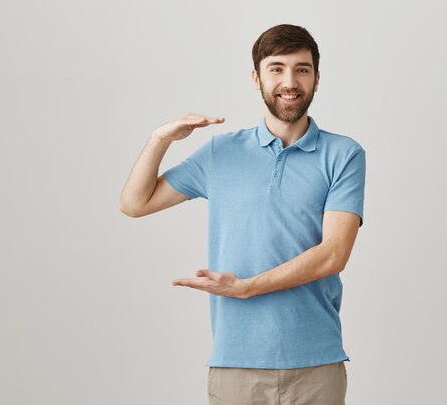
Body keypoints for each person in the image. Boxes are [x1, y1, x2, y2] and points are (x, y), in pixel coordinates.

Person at [119, 23, 365, 405]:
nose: (290, 81)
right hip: (236, 363)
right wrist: (159, 140)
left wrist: (246, 288)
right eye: (277, 68)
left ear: (317, 79)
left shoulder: (344, 154)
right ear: (256, 78)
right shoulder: (221, 153)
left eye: (302, 69)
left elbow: (334, 254)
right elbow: (135, 204)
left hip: (317, 363)